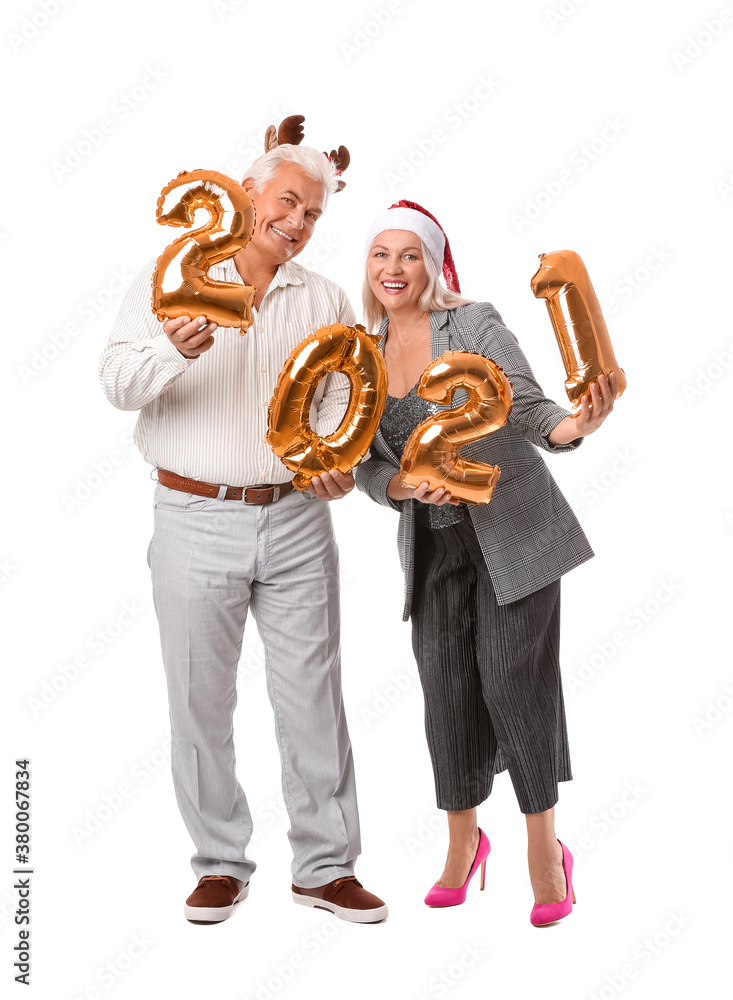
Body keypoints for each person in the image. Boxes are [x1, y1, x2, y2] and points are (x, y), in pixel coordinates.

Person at [98, 119, 387, 925]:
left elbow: (340, 402)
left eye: (312, 215)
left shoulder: (324, 298)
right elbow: (117, 382)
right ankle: (220, 862)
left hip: (296, 519)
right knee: (199, 699)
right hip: (192, 514)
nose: (296, 223)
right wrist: (173, 350)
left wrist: (336, 467)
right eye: (287, 202)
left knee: (312, 697)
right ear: (248, 192)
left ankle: (325, 868)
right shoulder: (170, 277)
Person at [356, 200, 616, 926]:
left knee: (511, 684)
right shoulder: (361, 354)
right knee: (444, 692)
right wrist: (403, 482)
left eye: (408, 254)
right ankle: (463, 844)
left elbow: (529, 408)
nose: (392, 269)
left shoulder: (470, 324)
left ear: (432, 264)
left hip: (513, 532)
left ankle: (543, 851)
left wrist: (575, 425)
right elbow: (365, 469)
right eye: (380, 254)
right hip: (432, 545)